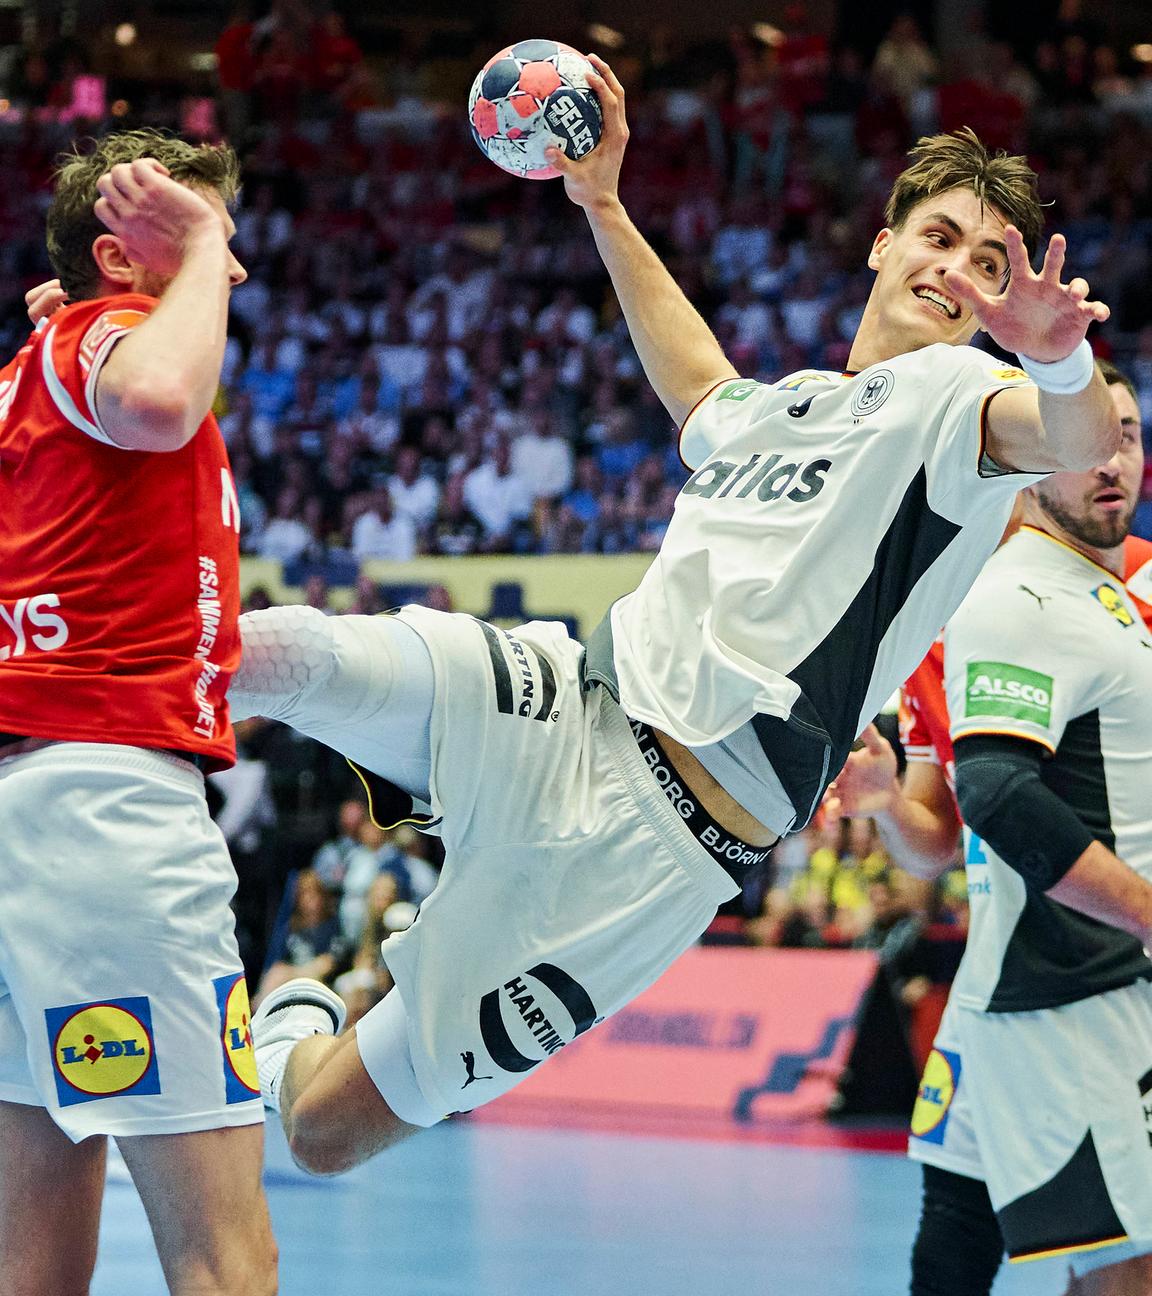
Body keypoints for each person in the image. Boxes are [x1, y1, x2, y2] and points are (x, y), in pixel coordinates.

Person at [241, 63, 1117, 1179]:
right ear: (882, 247)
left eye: (988, 264)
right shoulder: (784, 404)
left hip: (654, 861)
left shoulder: (964, 414)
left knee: (321, 1133)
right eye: (939, 238)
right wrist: (602, 204)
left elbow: (1078, 436)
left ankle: (289, 1025)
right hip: (560, 706)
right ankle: (67, 737)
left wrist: (1060, 354)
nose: (958, 271)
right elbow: (699, 385)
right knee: (287, 651)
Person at [0, 133, 277, 1292]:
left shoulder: (36, 369)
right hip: (105, 815)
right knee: (224, 1256)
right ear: (121, 258)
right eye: (198, 237)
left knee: (35, 1259)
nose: (233, 269)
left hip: (28, 804)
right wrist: (198, 246)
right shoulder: (96, 343)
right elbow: (161, 397)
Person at [829, 364, 1152, 1292]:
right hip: (1024, 964)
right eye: (1096, 436)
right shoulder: (967, 613)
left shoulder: (1122, 583)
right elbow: (955, 828)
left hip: (1075, 952)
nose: (1110, 458)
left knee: (1078, 1241)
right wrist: (892, 802)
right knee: (964, 1226)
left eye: (1126, 435)